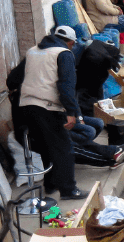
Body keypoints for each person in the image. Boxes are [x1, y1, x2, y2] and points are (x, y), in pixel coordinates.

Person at [15, 26, 87, 200]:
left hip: (25, 107)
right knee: (64, 149)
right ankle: (69, 190)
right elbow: (66, 86)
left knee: (47, 147)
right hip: (47, 107)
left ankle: (51, 184)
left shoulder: (32, 51)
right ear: (70, 42)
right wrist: (72, 112)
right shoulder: (64, 54)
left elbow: (14, 78)